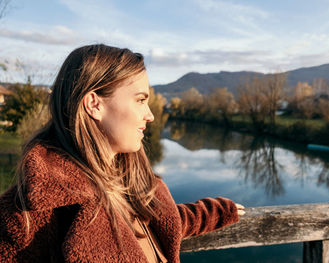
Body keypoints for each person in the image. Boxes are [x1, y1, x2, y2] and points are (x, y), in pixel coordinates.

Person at [0, 44, 245, 262]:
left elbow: (157, 222)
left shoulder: (128, 185)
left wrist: (213, 212)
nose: (150, 115)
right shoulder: (28, 215)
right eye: (140, 100)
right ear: (95, 104)